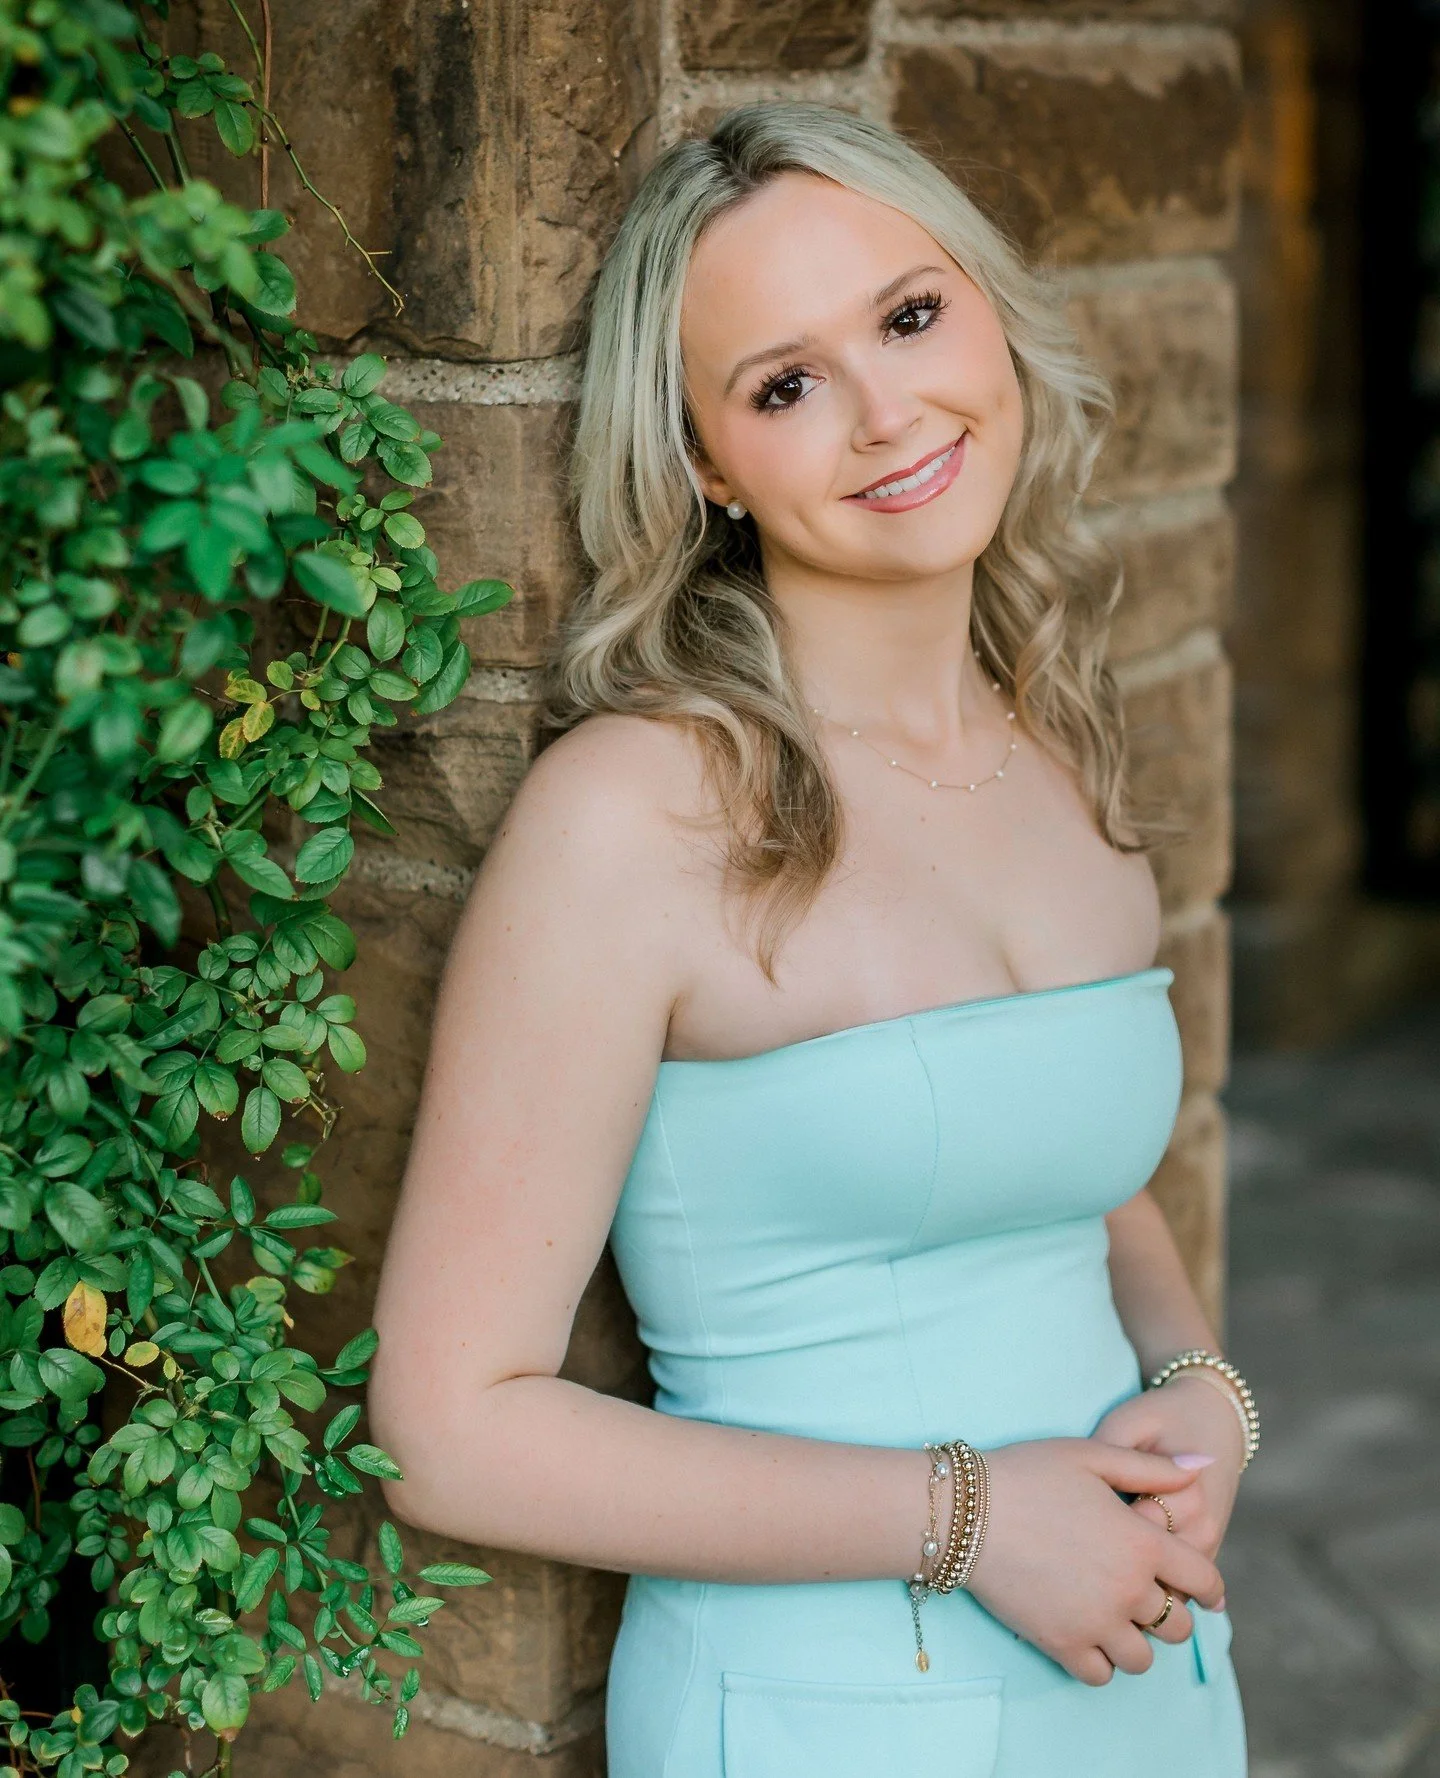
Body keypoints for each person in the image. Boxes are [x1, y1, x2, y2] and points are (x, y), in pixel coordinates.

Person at [368, 101, 1255, 1777]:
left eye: (910, 317)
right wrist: (970, 1515)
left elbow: (1082, 1173)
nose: (887, 409)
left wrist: (1203, 1380)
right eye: (785, 384)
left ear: (985, 311)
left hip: (1147, 1677)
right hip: (825, 1711)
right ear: (707, 460)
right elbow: (445, 1427)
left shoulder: (1059, 738)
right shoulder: (632, 815)